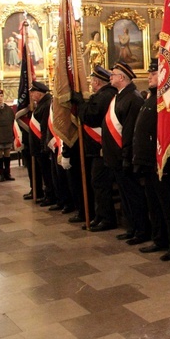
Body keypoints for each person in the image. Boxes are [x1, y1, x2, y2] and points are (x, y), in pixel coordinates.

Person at [103, 61, 149, 244]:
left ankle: (142, 230)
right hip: (115, 157)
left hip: (126, 157)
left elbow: (130, 132)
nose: (110, 77)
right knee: (125, 196)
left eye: (113, 74)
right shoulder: (120, 96)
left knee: (134, 196)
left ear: (122, 78)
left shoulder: (133, 98)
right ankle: (132, 227)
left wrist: (126, 157)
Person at [132, 59, 170, 260]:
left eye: (154, 74)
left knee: (166, 205)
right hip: (147, 161)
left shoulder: (165, 100)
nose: (149, 76)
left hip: (159, 162)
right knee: (154, 204)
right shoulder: (151, 98)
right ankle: (159, 238)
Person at [73, 65, 118, 231]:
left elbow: (91, 117)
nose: (90, 84)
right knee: (96, 183)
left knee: (100, 184)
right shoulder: (104, 94)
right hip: (97, 148)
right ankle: (99, 215)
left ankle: (107, 218)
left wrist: (81, 105)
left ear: (97, 81)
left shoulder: (105, 95)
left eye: (92, 81)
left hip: (101, 147)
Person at [27, 81, 56, 205]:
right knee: (44, 172)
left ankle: (51, 196)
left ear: (39, 93)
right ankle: (47, 194)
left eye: (33, 93)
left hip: (42, 146)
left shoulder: (46, 105)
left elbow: (45, 128)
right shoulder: (41, 104)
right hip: (39, 146)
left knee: (48, 173)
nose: (31, 95)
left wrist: (44, 146)